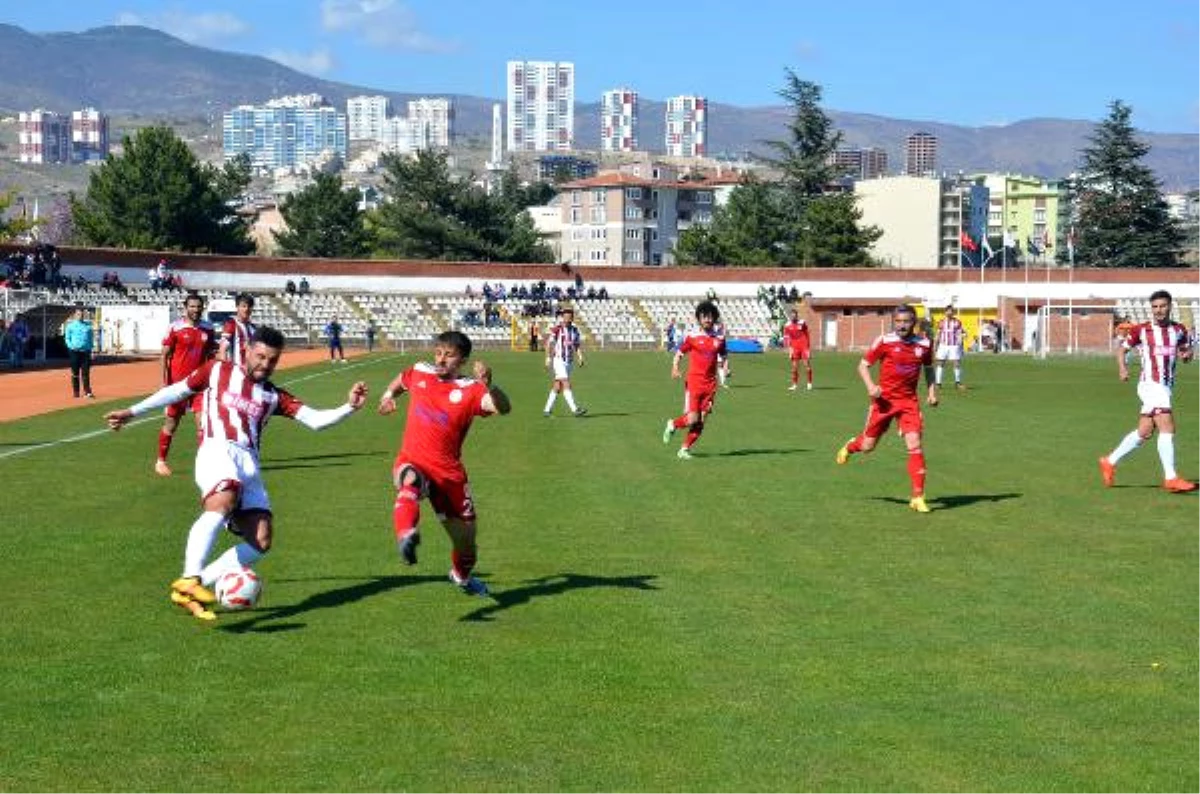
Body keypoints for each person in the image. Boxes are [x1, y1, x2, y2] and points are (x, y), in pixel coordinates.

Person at [104, 326, 368, 621]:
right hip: (218, 448)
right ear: (247, 351)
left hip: (250, 462)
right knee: (223, 502)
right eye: (260, 357)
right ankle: (190, 577)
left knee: (261, 539)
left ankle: (192, 587)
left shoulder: (273, 396)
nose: (265, 364)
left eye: (272, 361)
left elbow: (315, 421)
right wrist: (132, 412)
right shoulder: (217, 370)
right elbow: (178, 390)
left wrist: (349, 407)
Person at [378, 330, 511, 597]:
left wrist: (490, 385)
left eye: (449, 356)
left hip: (450, 476)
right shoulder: (420, 371)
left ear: (462, 361)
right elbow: (401, 381)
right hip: (413, 460)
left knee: (467, 545)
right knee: (409, 480)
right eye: (438, 353)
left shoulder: (471, 390)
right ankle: (406, 534)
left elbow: (504, 408)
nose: (440, 360)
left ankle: (461, 577)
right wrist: (387, 395)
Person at [835, 304, 939, 513]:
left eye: (906, 321)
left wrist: (931, 392)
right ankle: (850, 446)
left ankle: (918, 497)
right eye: (898, 321)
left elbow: (928, 368)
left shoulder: (925, 344)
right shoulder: (884, 341)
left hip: (909, 402)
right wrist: (871, 387)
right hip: (884, 402)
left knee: (915, 443)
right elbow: (862, 366)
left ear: (914, 322)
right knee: (867, 446)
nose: (902, 325)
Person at [1098, 290, 1195, 493]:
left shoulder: (1178, 330)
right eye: (1155, 307)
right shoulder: (1141, 330)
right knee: (1167, 427)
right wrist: (1122, 368)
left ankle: (1109, 461)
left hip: (1166, 385)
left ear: (1170, 306)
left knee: (1145, 432)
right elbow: (1122, 350)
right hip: (1150, 384)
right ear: (1151, 309)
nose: (1158, 310)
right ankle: (1171, 477)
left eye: (1162, 306)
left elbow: (1185, 352)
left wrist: (1186, 355)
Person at [155, 293, 216, 476]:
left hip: (199, 385)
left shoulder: (208, 328)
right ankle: (160, 461)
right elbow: (165, 354)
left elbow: (211, 355)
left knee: (202, 423)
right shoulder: (175, 327)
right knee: (172, 423)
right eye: (192, 306)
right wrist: (163, 382)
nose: (195, 310)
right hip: (177, 385)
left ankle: (204, 463)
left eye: (198, 307)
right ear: (185, 307)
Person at [662, 300, 726, 459]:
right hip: (694, 384)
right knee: (692, 419)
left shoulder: (720, 338)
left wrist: (725, 366)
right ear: (699, 318)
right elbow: (679, 353)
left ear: (714, 318)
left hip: (710, 385)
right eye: (704, 317)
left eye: (710, 317)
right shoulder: (692, 337)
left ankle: (684, 449)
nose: (707, 320)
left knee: (701, 421)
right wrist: (675, 367)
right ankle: (673, 424)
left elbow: (723, 355)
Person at [542, 306, 586, 417]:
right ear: (562, 317)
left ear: (572, 318)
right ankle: (575, 409)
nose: (567, 318)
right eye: (565, 316)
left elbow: (576, 345)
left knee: (557, 386)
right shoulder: (557, 329)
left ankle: (547, 410)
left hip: (569, 361)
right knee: (566, 383)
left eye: (570, 316)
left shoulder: (575, 330)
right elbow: (548, 344)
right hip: (558, 360)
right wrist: (548, 358)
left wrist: (580, 357)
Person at [217, 293, 257, 366]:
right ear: (237, 307)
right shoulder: (231, 324)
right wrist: (225, 369)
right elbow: (223, 349)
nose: (246, 309)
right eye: (243, 306)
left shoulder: (253, 327)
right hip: (236, 370)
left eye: (249, 306)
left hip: (250, 371)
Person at [64, 306, 95, 398]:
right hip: (74, 352)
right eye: (78, 314)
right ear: (75, 315)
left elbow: (90, 339)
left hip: (86, 352)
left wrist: (92, 351)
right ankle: (76, 392)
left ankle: (87, 391)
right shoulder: (70, 326)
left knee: (86, 373)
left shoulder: (88, 326)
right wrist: (71, 347)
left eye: (82, 314)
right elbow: (67, 338)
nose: (80, 316)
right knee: (75, 373)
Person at [933, 305, 967, 391]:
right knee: (940, 363)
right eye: (948, 311)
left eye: (951, 311)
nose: (949, 313)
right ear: (945, 312)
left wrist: (961, 346)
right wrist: (935, 346)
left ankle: (958, 383)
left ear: (953, 312)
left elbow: (961, 334)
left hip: (954, 345)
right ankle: (938, 383)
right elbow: (938, 335)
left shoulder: (957, 322)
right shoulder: (941, 322)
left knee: (957, 363)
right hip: (943, 345)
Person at [782, 309, 813, 391]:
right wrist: (788, 348)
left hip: (804, 346)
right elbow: (786, 337)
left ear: (797, 315)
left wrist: (808, 347)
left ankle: (809, 383)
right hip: (794, 347)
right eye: (792, 315)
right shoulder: (787, 325)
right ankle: (794, 385)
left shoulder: (802, 323)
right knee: (794, 367)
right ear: (790, 316)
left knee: (807, 365)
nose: (793, 317)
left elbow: (807, 334)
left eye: (795, 315)